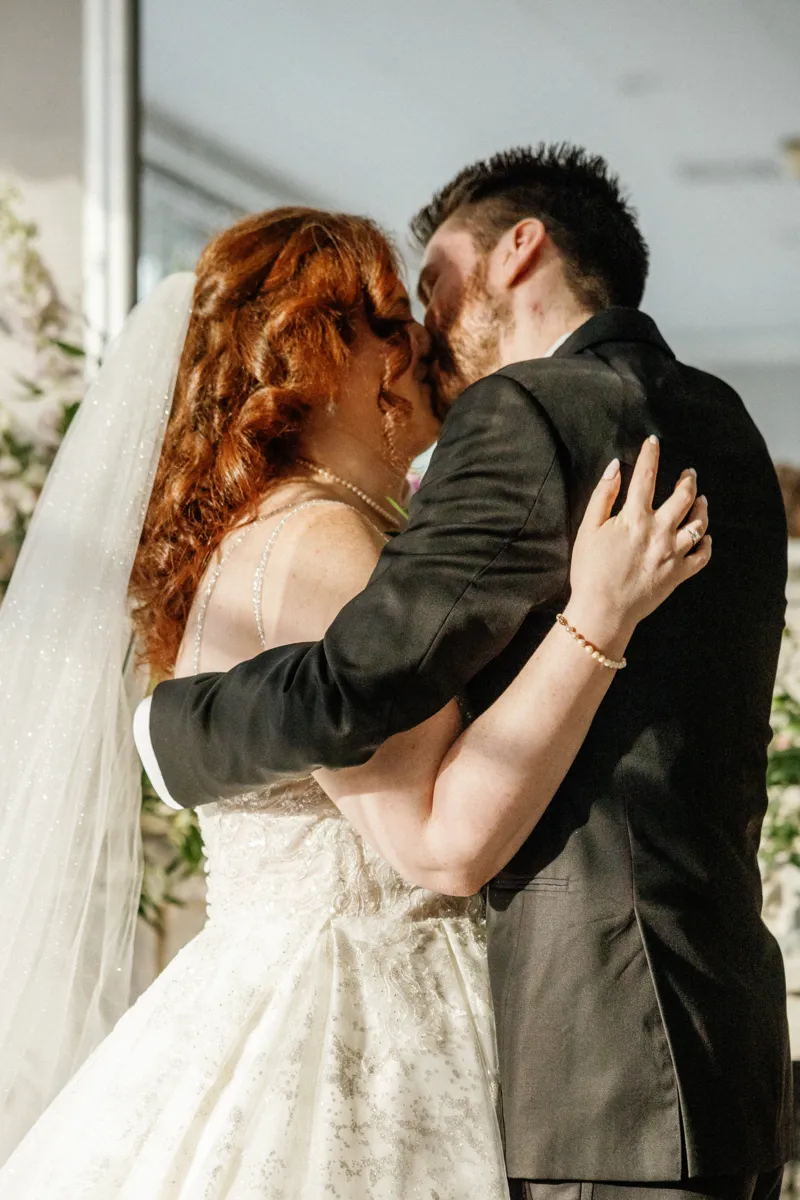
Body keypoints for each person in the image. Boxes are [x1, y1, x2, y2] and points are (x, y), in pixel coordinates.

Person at [0, 206, 705, 1197]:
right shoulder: (324, 544)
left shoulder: (249, 539)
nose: (420, 347)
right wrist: (598, 618)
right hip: (362, 1015)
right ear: (326, 355)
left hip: (255, 990)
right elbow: (440, 844)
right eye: (391, 322)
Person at [143, 146, 793, 1200]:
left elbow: (355, 686)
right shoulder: (722, 424)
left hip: (601, 1055)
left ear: (519, 249)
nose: (420, 328)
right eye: (390, 315)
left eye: (430, 283)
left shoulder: (529, 411)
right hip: (716, 1028)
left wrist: (171, 732)